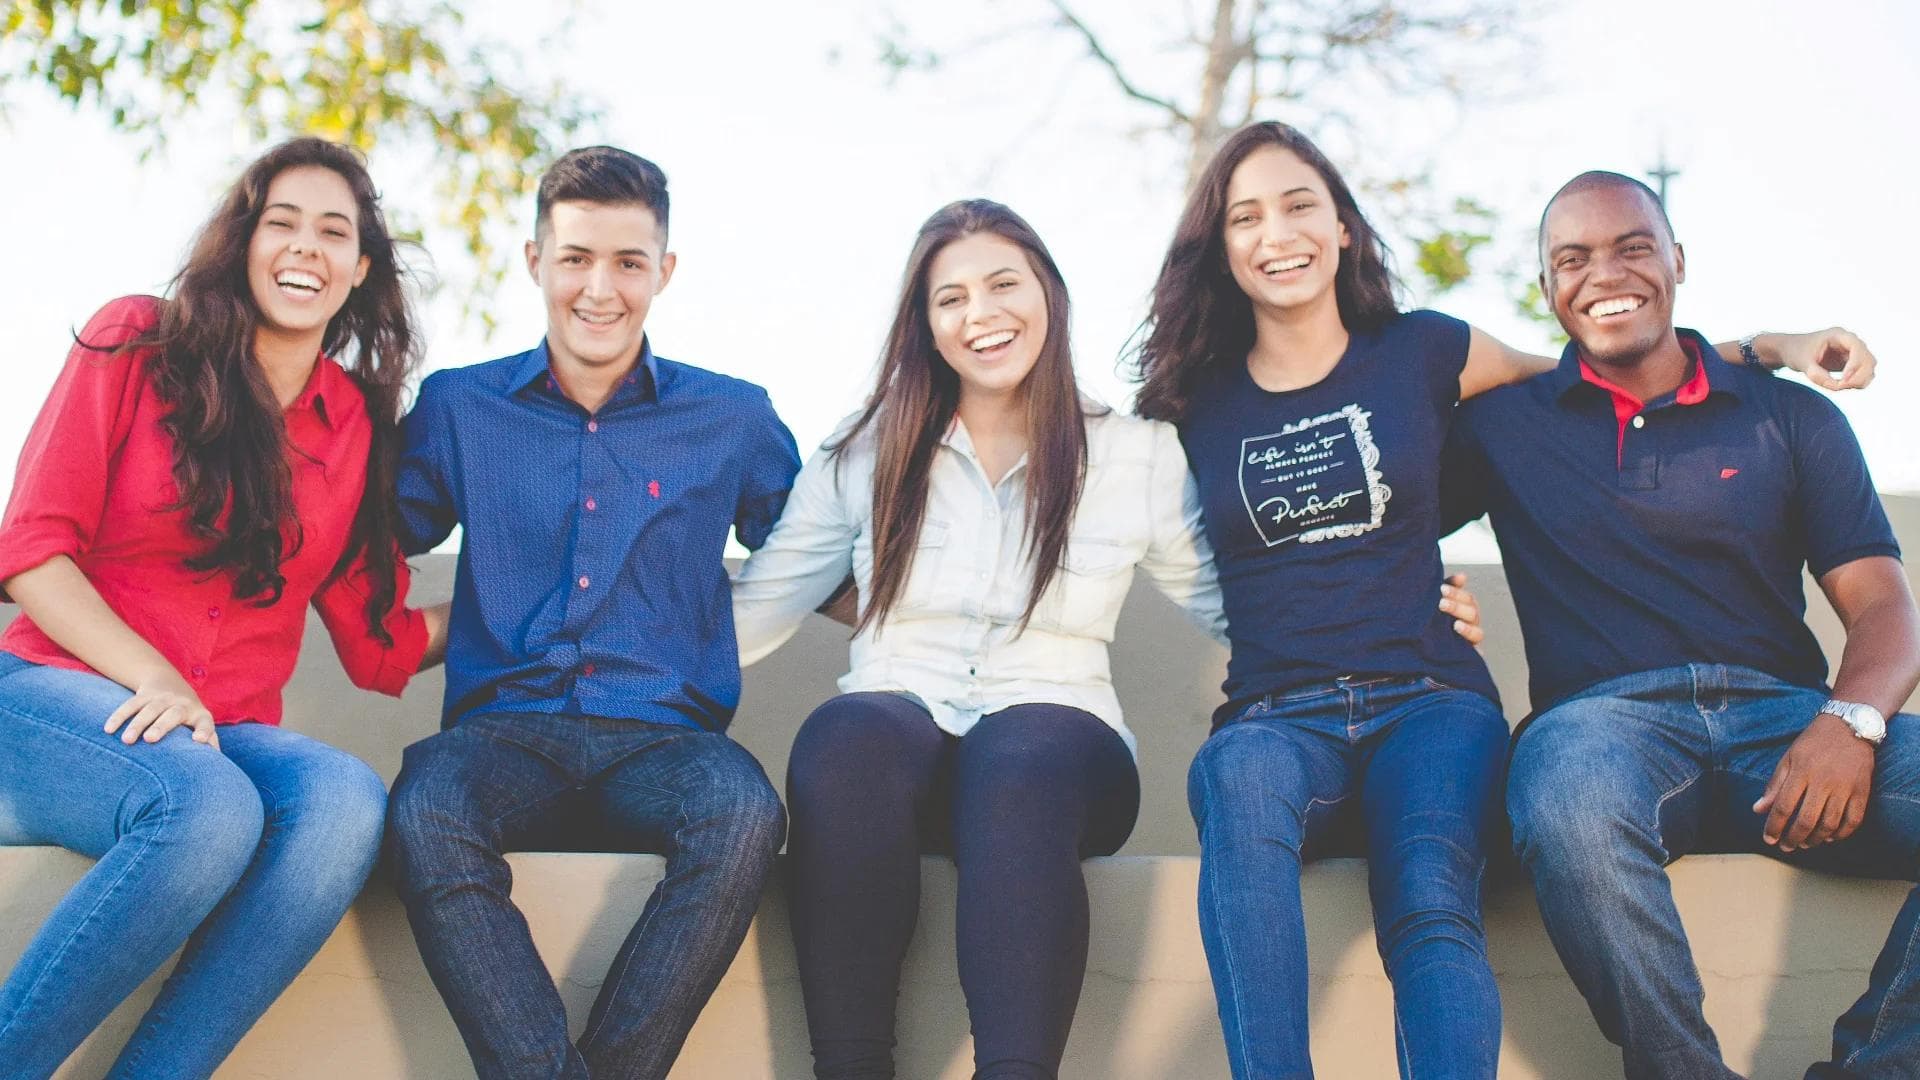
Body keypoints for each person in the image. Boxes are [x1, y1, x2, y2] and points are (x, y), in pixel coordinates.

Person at [1129, 121, 1873, 1079]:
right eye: (1247, 215)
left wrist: (1770, 345)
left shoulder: (1428, 350)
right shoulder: (1194, 403)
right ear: (1221, 246)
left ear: (1345, 227)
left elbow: (1604, 367)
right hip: (1276, 710)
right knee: (1238, 790)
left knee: (1432, 893)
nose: (1279, 232)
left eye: (1301, 203)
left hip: (1429, 699)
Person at [729, 198, 1483, 1080]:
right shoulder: (862, 455)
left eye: (1005, 285)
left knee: (1019, 754)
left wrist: (1405, 606)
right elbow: (762, 603)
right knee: (845, 735)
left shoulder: (1134, 456)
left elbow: (1245, 601)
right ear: (925, 325)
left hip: (1060, 747)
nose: (983, 315)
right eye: (952, 299)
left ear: (1048, 294)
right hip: (897, 740)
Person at [1443, 170, 1919, 1079]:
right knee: (1567, 803)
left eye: (1632, 246)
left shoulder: (1790, 416)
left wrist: (1849, 723)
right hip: (1602, 731)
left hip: (1787, 725)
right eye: (1571, 259)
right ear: (1548, 291)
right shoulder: (1500, 427)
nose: (1603, 273)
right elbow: (1365, 522)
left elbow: (1886, 606)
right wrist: (1426, 601)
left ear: (1677, 261)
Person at [0, 137, 446, 1079]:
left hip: (217, 731)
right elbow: (31, 550)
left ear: (359, 269)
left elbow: (382, 643)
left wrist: (543, 604)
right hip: (51, 692)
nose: (305, 248)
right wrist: (152, 675)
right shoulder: (137, 342)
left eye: (334, 232)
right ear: (243, 243)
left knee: (342, 804)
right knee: (204, 810)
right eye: (281, 222)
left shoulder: (356, 423)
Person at [383, 145, 801, 1080]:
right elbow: (359, 542)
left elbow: (822, 555)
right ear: (535, 261)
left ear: (665, 270)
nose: (598, 288)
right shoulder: (460, 406)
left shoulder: (733, 417)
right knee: (423, 806)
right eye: (574, 258)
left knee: (741, 814)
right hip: (502, 733)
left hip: (663, 739)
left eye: (627, 261)